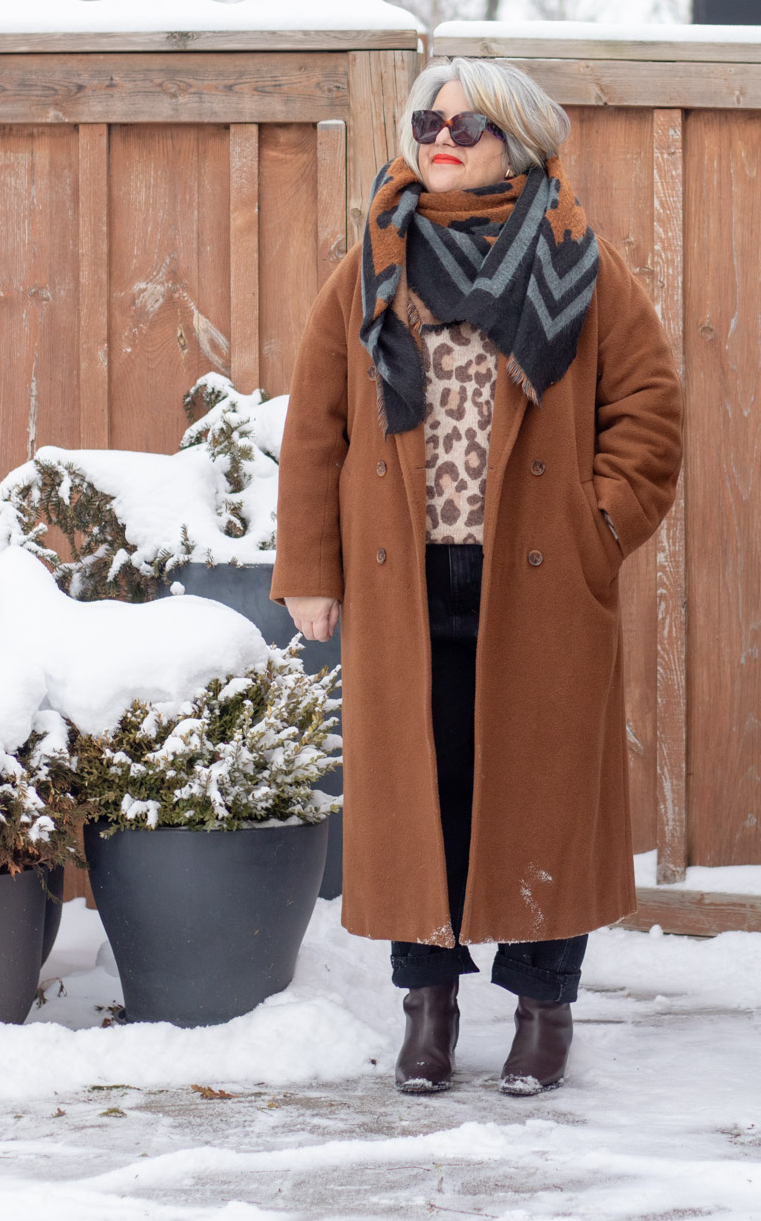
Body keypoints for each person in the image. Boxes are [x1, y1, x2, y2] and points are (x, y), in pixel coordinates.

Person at [271, 57, 683, 1096]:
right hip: (404, 586)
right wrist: (311, 567)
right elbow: (317, 425)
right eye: (429, 121)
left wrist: (598, 526)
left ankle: (545, 1011)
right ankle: (430, 1009)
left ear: (520, 142)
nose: (441, 139)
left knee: (544, 798)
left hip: (539, 587)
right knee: (426, 799)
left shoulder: (579, 262)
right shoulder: (373, 261)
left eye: (468, 125)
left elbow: (650, 411)